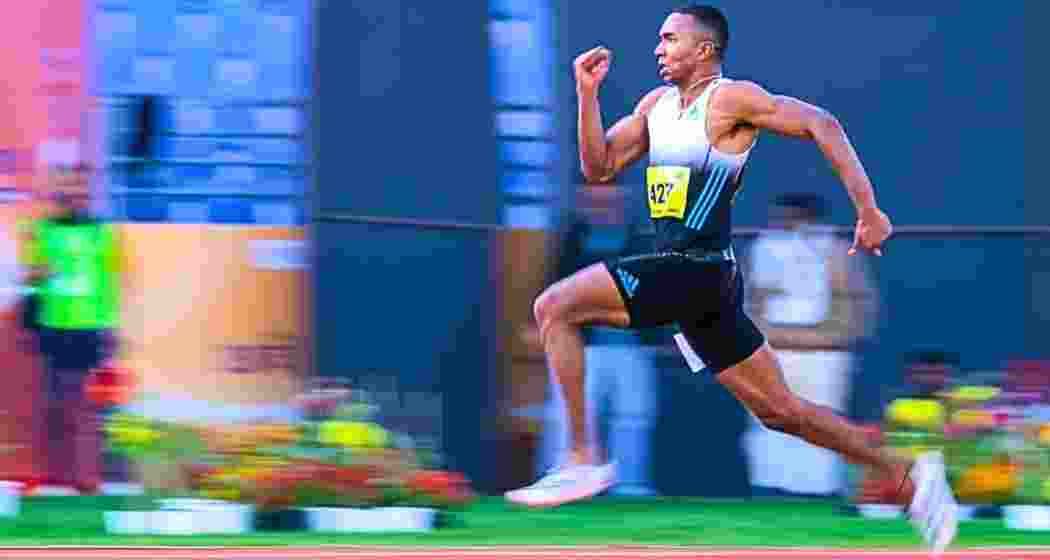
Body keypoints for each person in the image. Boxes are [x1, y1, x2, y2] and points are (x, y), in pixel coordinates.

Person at [503, 4, 957, 551]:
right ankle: (911, 477)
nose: (657, 49)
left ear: (704, 49)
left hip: (692, 268)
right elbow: (598, 168)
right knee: (781, 412)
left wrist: (869, 210)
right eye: (658, 40)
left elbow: (821, 123)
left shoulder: (731, 98)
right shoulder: (655, 106)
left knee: (554, 306)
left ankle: (581, 456)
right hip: (696, 279)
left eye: (669, 39)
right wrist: (585, 93)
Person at [742, 192, 878, 497]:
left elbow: (853, 314)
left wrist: (812, 339)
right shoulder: (762, 249)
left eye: (791, 219)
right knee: (770, 425)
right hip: (772, 355)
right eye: (779, 220)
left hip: (823, 359)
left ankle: (821, 492)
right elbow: (751, 306)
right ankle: (768, 494)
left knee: (821, 423)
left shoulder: (838, 251)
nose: (784, 225)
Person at [24, 162, 123, 494]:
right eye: (69, 189)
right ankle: (46, 474)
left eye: (82, 189)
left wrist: (111, 328)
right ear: (60, 192)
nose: (76, 195)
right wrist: (37, 275)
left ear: (89, 193)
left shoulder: (102, 232)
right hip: (53, 328)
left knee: (89, 408)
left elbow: (110, 284)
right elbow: (31, 280)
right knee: (51, 405)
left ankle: (88, 479)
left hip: (90, 329)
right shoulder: (43, 230)